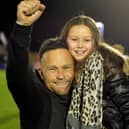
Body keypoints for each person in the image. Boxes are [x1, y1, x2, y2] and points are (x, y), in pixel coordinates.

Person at [6, 0, 75, 129]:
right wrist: (22, 27)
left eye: (66, 67)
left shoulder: (84, 98)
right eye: (52, 69)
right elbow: (17, 76)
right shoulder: (37, 102)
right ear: (41, 74)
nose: (61, 75)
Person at [59, 15, 129, 129]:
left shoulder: (107, 64)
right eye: (74, 39)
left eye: (86, 40)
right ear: (65, 40)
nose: (80, 45)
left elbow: (127, 106)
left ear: (95, 42)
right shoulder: (63, 67)